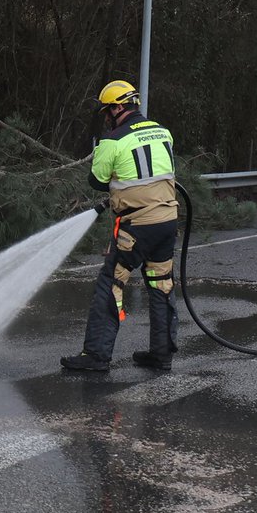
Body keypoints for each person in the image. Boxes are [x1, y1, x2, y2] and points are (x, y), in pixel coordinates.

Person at [61, 80, 180, 373]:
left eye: (107, 111)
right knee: (161, 285)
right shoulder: (162, 132)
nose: (105, 117)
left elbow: (97, 180)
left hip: (136, 226)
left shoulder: (113, 140)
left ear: (117, 107)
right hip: (167, 222)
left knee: (110, 282)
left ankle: (96, 356)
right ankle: (161, 354)